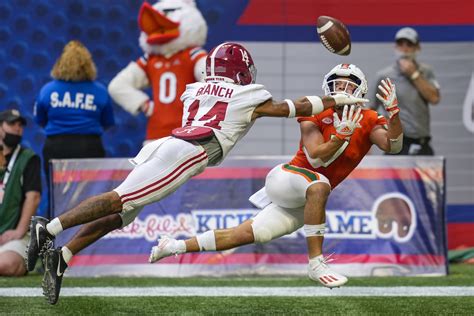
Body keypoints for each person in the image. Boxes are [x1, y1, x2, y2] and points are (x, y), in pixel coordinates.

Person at [26, 42, 367, 304]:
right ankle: (50, 227)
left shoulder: (195, 88)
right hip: (188, 153)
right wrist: (334, 99)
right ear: (241, 70)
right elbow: (292, 108)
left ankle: (63, 257)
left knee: (124, 214)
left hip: (166, 146)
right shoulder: (248, 93)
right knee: (120, 201)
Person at [149, 63, 404, 288]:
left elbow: (393, 145)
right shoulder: (317, 108)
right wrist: (340, 138)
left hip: (307, 197)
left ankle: (173, 246)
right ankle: (316, 264)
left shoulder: (370, 118)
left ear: (360, 90)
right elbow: (316, 156)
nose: (341, 89)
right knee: (320, 184)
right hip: (288, 178)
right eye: (336, 84)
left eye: (348, 85)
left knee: (247, 234)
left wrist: (394, 115)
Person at [108, 1, 207, 143]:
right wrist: (144, 104)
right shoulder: (151, 59)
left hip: (183, 132)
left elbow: (212, 80)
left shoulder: (192, 55)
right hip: (166, 133)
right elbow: (117, 86)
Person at [34, 40, 115, 182]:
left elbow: (40, 120)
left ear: (60, 63)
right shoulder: (100, 90)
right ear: (89, 65)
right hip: (90, 146)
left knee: (57, 194)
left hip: (56, 146)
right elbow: (107, 122)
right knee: (89, 193)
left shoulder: (48, 90)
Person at [371, 27, 440, 155]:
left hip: (422, 144)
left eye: (409, 44)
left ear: (417, 48)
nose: (404, 48)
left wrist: (414, 74)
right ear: (395, 46)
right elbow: (370, 111)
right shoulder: (384, 76)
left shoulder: (426, 71)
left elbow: (434, 98)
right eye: (400, 43)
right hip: (395, 144)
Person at [0, 109, 42, 276]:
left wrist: (19, 230)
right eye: (11, 124)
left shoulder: (28, 158)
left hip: (15, 235)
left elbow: (34, 197)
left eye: (20, 125)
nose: (17, 128)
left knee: (7, 265)